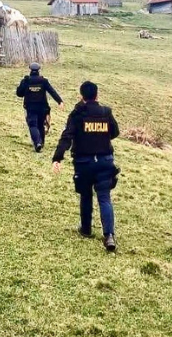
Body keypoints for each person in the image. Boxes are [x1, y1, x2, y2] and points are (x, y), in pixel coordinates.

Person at [52, 81, 120, 251]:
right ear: (97, 95)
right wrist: (100, 137)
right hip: (105, 161)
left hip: (84, 163)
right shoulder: (106, 112)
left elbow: (66, 137)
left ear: (81, 96)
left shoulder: (77, 114)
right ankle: (109, 236)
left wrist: (57, 158)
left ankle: (86, 229)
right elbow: (115, 132)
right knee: (104, 197)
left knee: (86, 195)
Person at [16, 62, 64, 152]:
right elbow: (52, 91)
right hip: (42, 107)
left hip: (30, 107)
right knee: (40, 125)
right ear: (38, 70)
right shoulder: (43, 81)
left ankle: (37, 143)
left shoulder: (26, 80)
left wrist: (23, 86)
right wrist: (59, 101)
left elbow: (19, 93)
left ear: (30, 70)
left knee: (32, 125)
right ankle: (41, 143)